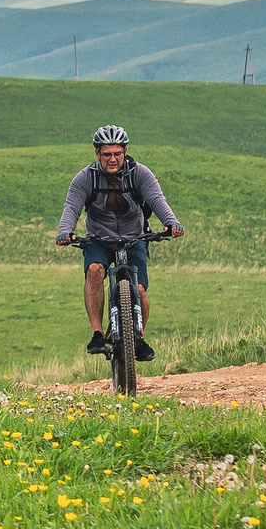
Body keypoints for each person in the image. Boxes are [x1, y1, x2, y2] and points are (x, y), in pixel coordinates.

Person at [56, 124, 183, 361]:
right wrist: (65, 231)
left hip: (135, 237)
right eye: (107, 154)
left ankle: (138, 338)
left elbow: (157, 199)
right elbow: (71, 206)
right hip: (99, 239)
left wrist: (171, 223)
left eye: (117, 153)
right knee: (94, 270)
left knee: (140, 290)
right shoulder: (85, 178)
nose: (112, 159)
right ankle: (96, 333)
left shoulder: (140, 173)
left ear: (125, 151)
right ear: (97, 154)